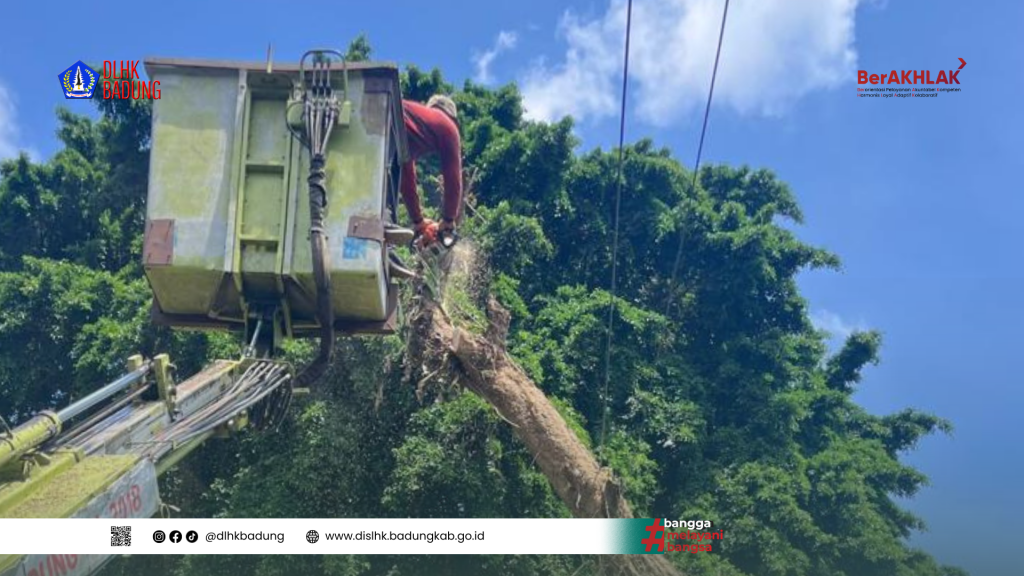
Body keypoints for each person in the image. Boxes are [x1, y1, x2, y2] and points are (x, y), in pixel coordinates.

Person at [400, 95, 463, 247]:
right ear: (452, 117)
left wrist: (418, 221)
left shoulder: (409, 127)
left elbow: (406, 179)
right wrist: (448, 221)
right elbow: (453, 179)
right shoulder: (448, 125)